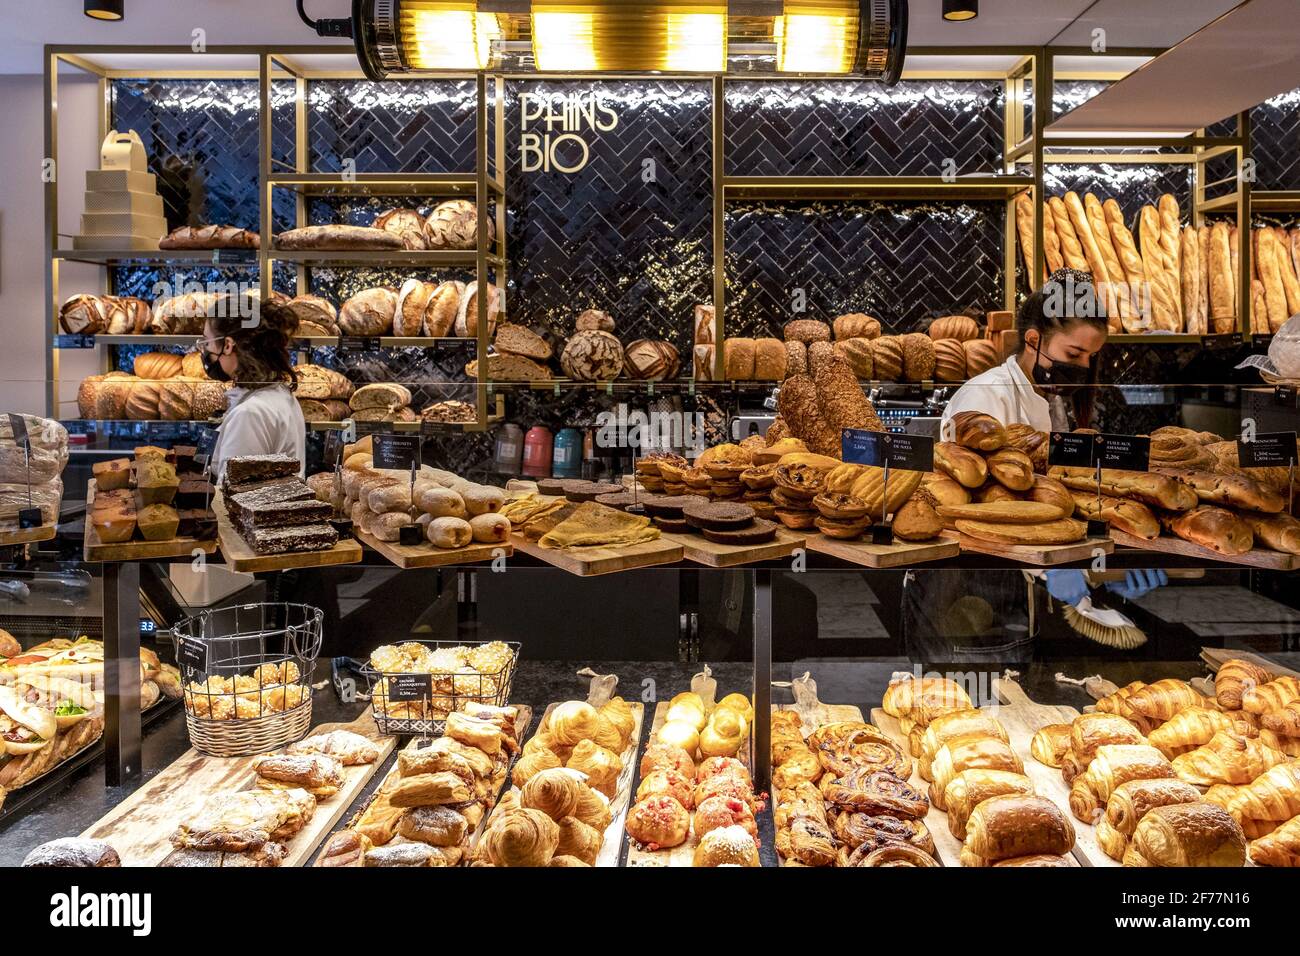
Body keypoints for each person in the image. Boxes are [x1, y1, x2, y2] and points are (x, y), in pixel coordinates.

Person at [904, 269, 1165, 665]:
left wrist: (1084, 565)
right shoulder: (987, 396)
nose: (1081, 366)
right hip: (964, 582)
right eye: (1073, 355)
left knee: (1003, 705)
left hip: (1010, 583)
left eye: (1091, 358)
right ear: (1033, 340)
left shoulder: (1049, 396)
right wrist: (1055, 572)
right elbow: (985, 506)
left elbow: (1046, 491)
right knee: (957, 706)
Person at [200, 296, 306, 483]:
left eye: (207, 342)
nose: (205, 350)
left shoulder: (249, 414)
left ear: (227, 345)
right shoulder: (280, 394)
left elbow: (234, 498)